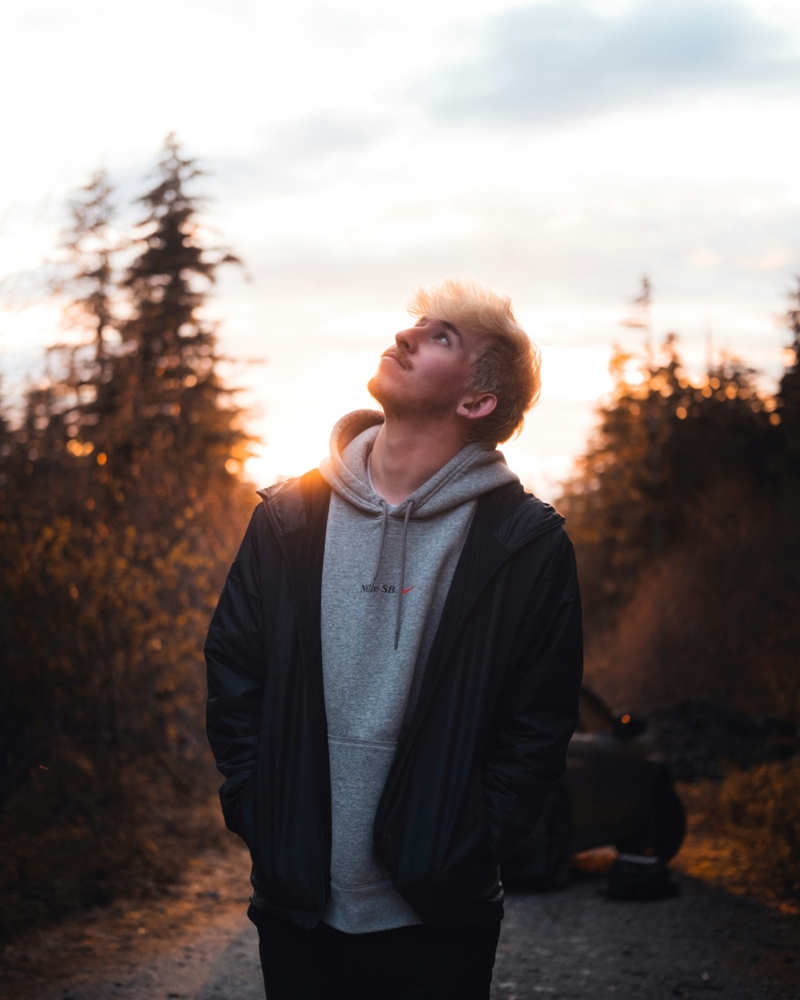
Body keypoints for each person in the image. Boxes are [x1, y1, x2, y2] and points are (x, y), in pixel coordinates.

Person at [205, 278, 583, 1000]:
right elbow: (234, 672)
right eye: (416, 324)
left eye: (442, 337)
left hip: (440, 917)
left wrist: (468, 845)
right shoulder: (288, 517)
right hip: (298, 905)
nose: (406, 335)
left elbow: (538, 723)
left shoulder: (524, 544)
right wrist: (259, 809)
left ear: (477, 402)